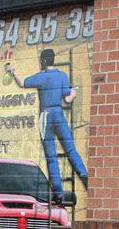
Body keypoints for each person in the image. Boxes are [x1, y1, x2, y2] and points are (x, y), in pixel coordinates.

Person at [5, 49, 88, 194]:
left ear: (43, 61)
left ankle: (58, 192)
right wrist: (73, 93)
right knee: (70, 149)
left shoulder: (41, 77)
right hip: (59, 114)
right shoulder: (62, 76)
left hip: (46, 115)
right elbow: (67, 100)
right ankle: (83, 173)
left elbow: (22, 83)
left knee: (51, 156)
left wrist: (12, 71)